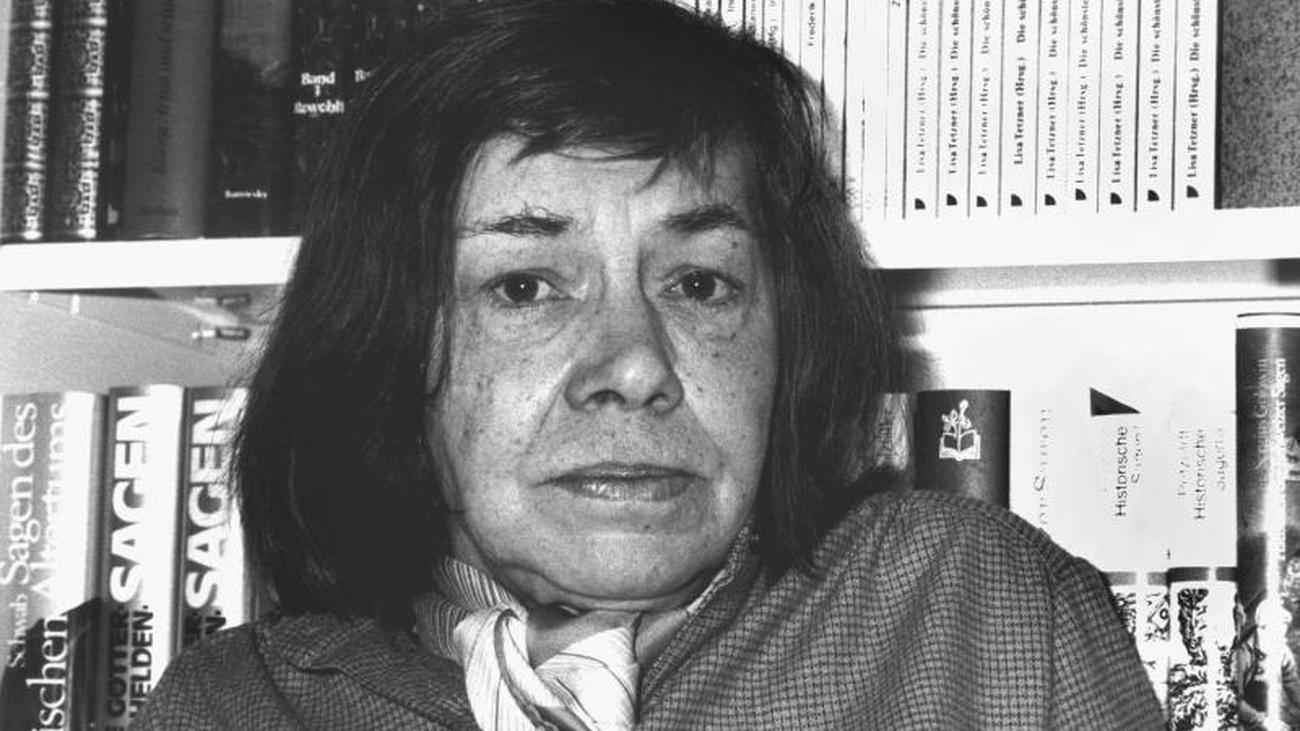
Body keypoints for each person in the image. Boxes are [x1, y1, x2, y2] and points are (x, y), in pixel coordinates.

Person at [136, 1, 1164, 728]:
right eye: (524, 286)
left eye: (701, 282)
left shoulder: (982, 614)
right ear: (389, 344)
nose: (633, 366)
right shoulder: (235, 705)